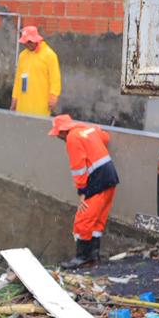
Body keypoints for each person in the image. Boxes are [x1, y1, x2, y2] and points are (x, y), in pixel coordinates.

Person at [49, 114, 119, 268]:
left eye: (58, 133)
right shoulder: (87, 129)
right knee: (97, 220)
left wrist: (81, 192)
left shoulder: (72, 138)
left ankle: (82, 258)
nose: (57, 137)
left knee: (83, 219)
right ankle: (93, 257)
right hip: (110, 176)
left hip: (98, 179)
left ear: (62, 131)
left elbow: (78, 168)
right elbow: (105, 138)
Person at [11, 25, 61, 116]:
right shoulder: (22, 56)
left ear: (37, 40)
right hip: (23, 104)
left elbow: (55, 79)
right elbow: (18, 80)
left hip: (40, 104)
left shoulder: (49, 55)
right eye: (25, 42)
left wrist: (53, 96)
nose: (27, 44)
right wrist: (14, 98)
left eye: (29, 42)